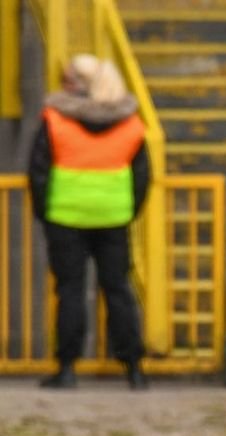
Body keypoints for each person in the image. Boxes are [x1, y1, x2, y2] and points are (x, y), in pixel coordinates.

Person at [28, 54, 149, 390]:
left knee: (70, 291)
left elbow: (38, 171)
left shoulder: (55, 119)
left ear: (77, 84)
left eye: (65, 79)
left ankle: (67, 368)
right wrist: (127, 209)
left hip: (65, 216)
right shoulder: (130, 122)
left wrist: (44, 212)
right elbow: (142, 175)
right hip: (113, 216)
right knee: (118, 289)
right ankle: (134, 369)